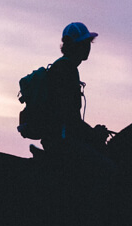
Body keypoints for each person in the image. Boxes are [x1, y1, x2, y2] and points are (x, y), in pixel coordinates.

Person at [41, 22, 110, 153]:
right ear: (78, 46)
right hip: (62, 142)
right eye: (86, 42)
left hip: (56, 139)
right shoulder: (67, 70)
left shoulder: (62, 67)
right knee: (107, 168)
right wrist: (94, 134)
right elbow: (69, 118)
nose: (89, 47)